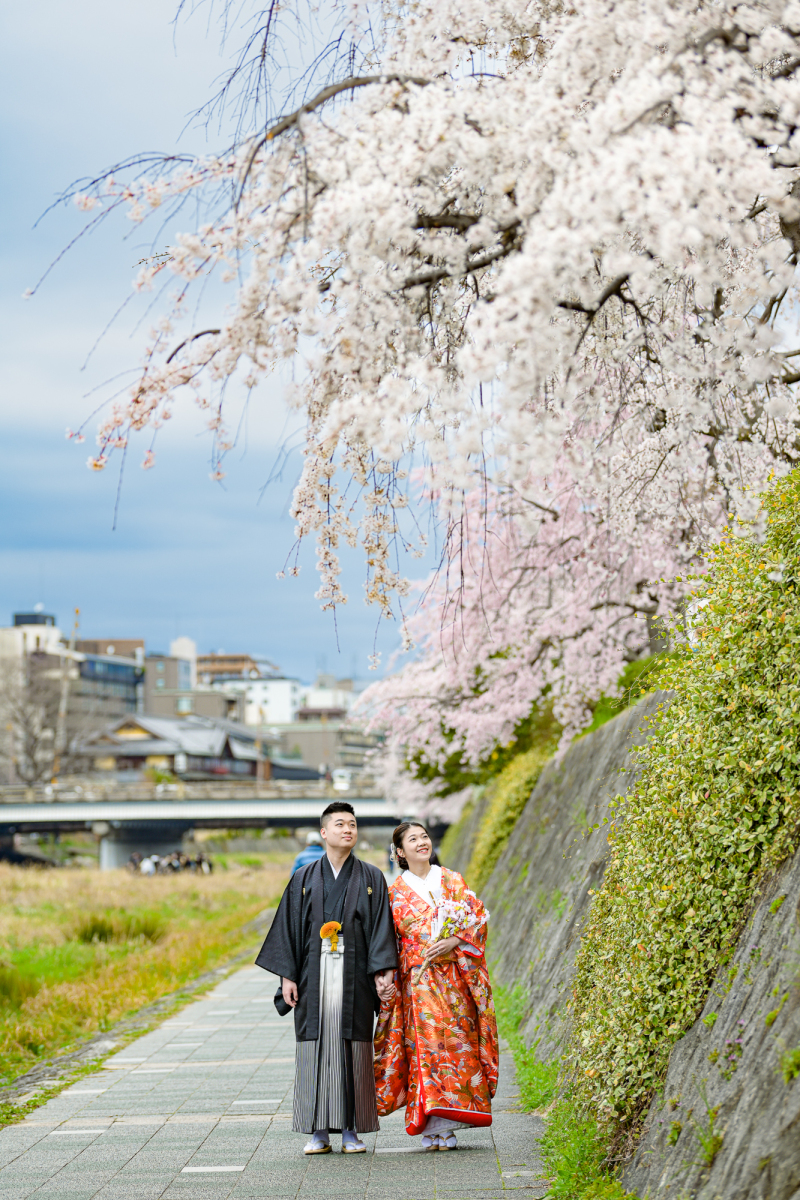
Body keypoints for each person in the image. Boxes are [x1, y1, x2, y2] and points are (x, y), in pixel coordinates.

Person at [256, 801, 397, 1155]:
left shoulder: (371, 877)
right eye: (339, 824)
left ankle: (351, 1128)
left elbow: (382, 928)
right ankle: (317, 1130)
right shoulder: (303, 879)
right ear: (324, 833)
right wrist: (286, 977)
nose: (347, 829)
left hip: (355, 973)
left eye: (352, 824)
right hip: (311, 973)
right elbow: (288, 930)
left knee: (354, 1047)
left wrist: (383, 971)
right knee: (313, 1046)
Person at [373, 822, 498, 1151]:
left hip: (455, 977)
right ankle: (431, 1125)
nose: (422, 842)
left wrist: (455, 939)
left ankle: (453, 1121)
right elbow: (389, 940)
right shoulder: (394, 892)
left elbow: (478, 918)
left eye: (424, 836)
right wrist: (387, 976)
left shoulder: (453, 880)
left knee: (458, 1045)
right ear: (400, 851)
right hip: (419, 982)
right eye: (413, 839)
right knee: (426, 1050)